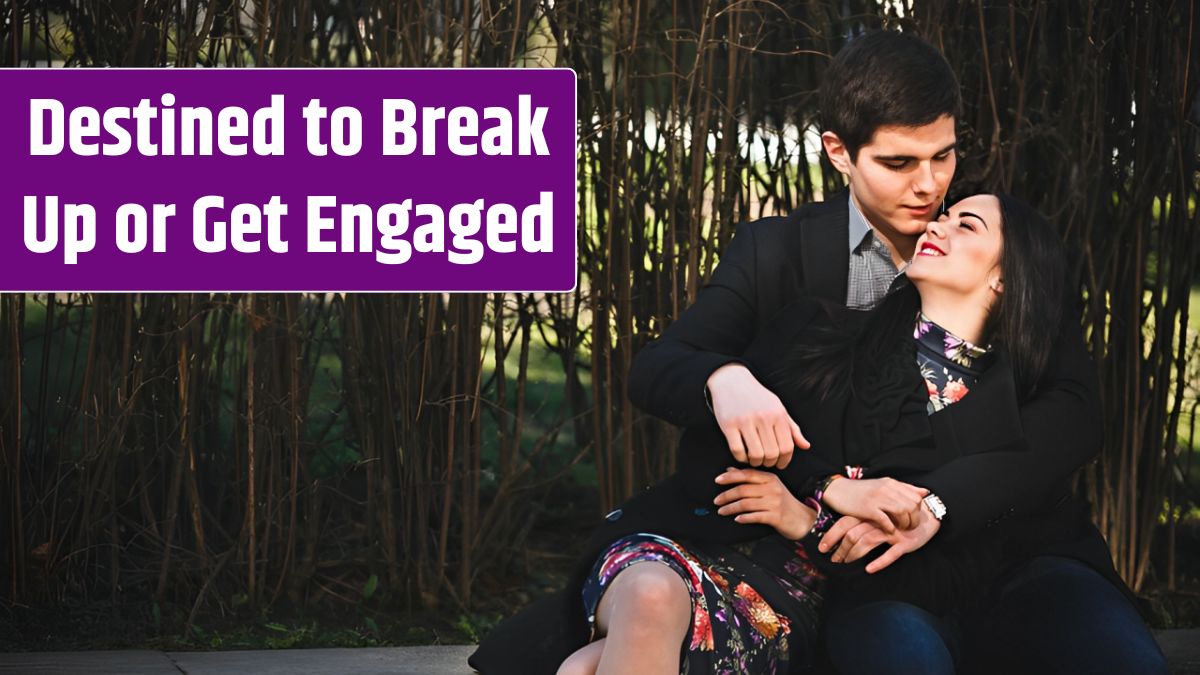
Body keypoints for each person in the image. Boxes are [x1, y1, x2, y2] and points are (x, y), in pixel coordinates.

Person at [622, 29, 1161, 673]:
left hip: (1017, 546)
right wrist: (724, 376)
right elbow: (661, 367)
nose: (930, 188)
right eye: (899, 164)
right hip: (863, 574)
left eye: (944, 156)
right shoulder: (778, 254)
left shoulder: (995, 238)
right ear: (840, 153)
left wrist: (934, 504)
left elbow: (1071, 408)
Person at [469, 193, 1166, 675]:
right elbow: (713, 438)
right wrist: (752, 407)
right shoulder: (825, 336)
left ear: (1007, 283)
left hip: (901, 583)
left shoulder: (1040, 395)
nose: (941, 223)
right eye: (947, 215)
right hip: (781, 575)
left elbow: (959, 536)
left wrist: (810, 515)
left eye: (969, 227)